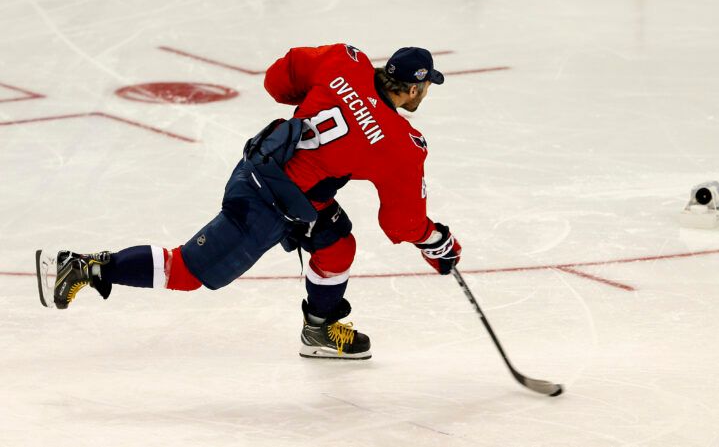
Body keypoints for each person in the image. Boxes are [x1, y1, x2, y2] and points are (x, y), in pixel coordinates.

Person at [35, 44, 462, 360]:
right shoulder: (400, 145)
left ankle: (319, 328)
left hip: (270, 171)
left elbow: (279, 78)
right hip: (267, 204)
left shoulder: (344, 61)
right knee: (186, 271)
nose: (425, 93)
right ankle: (82, 266)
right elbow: (403, 223)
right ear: (412, 88)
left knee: (336, 244)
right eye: (425, 86)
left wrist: (326, 102)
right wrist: (438, 242)